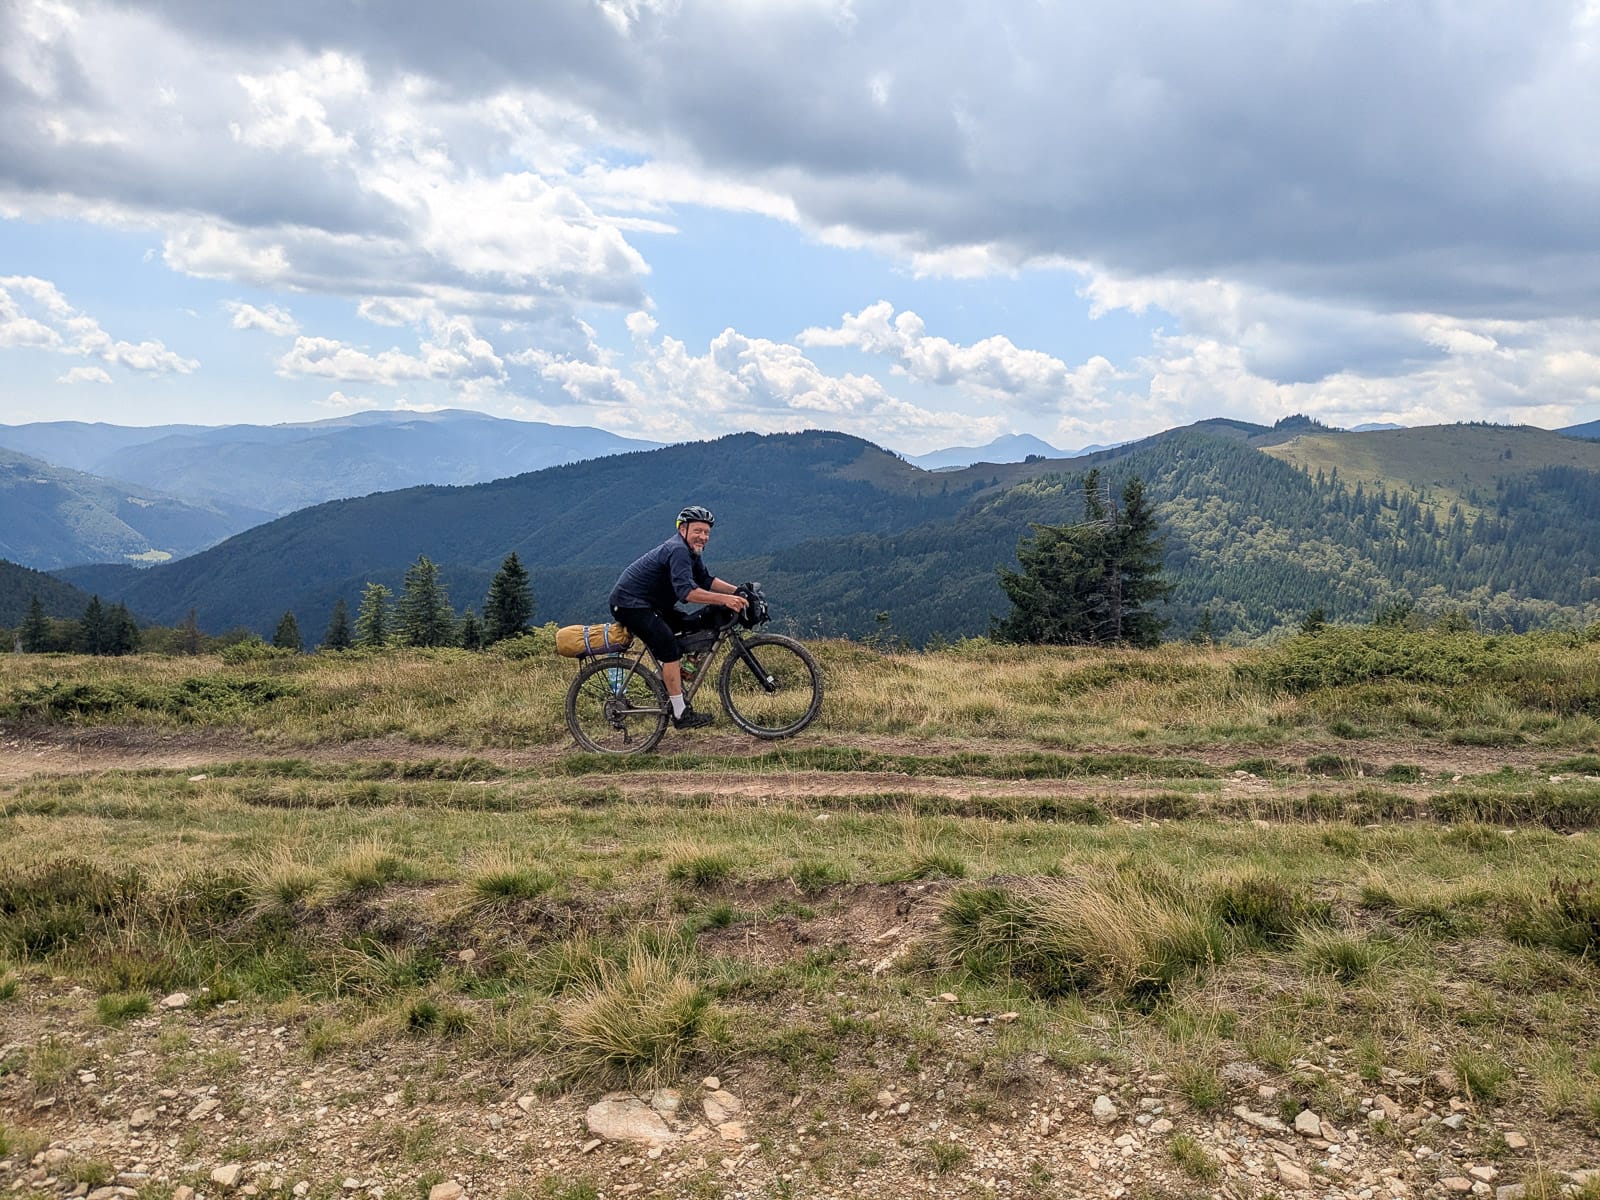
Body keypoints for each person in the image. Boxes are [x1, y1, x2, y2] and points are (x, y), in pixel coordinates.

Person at [609, 505, 748, 730]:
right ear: (683, 529)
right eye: (698, 531)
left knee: (689, 626)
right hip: (629, 605)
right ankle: (680, 713)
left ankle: (663, 677)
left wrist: (739, 591)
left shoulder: (691, 551)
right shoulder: (678, 550)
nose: (703, 537)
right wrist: (725, 600)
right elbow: (687, 593)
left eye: (707, 533)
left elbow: (704, 579)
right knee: (668, 647)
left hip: (651, 605)